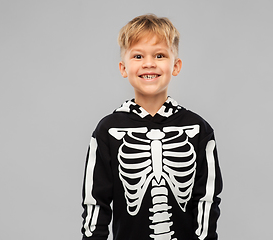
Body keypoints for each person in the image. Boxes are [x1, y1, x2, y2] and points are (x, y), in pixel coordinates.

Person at [81, 14, 223, 240]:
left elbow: (206, 202)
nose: (149, 63)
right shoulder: (107, 130)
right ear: (123, 67)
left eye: (160, 55)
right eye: (138, 56)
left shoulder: (198, 129)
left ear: (175, 66)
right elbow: (95, 202)